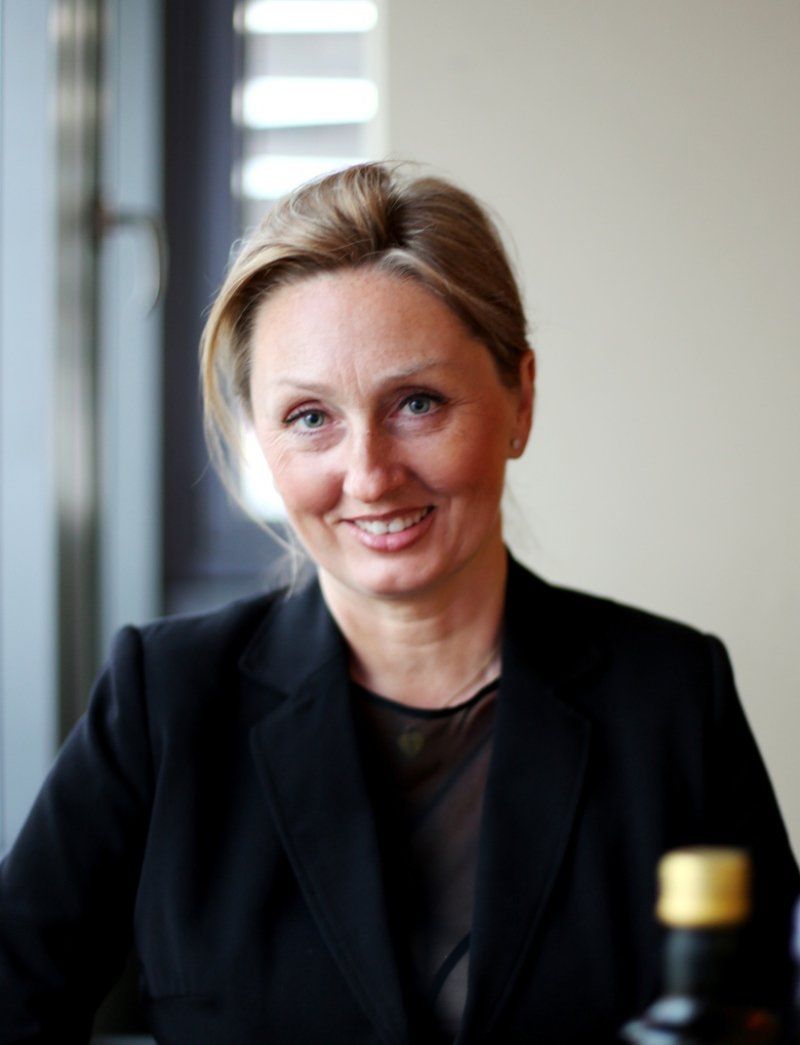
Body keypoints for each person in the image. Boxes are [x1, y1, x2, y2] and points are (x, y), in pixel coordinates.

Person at [0, 162, 797, 1044]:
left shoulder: (673, 697)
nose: (370, 475)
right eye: (311, 418)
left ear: (521, 399)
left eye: (417, 403)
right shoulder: (163, 699)